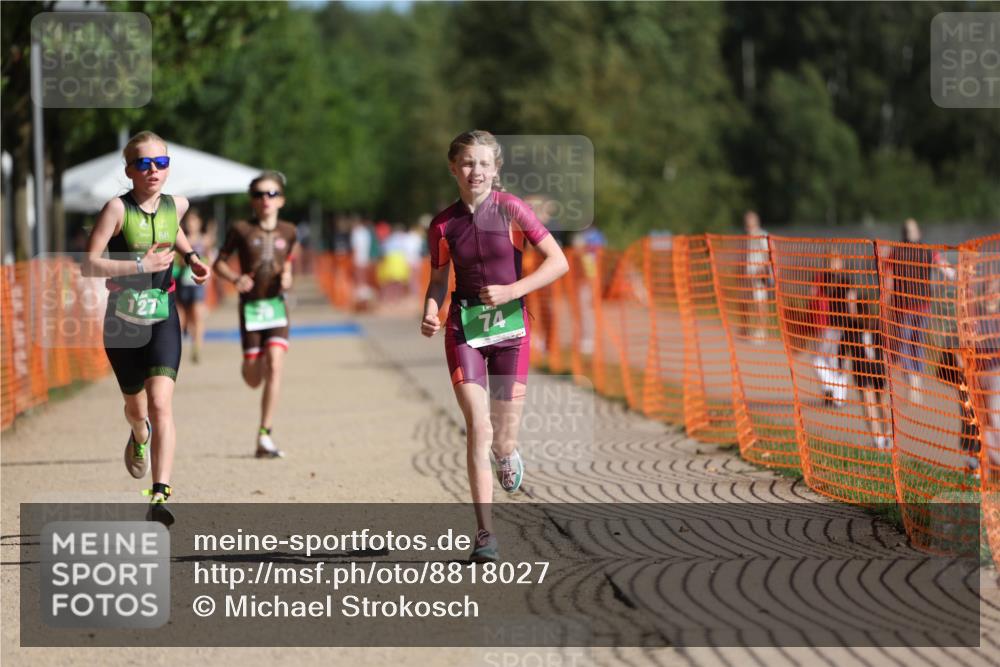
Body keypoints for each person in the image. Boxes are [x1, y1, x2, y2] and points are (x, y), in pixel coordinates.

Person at [420, 130, 569, 562]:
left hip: (511, 333)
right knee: (478, 428)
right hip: (464, 330)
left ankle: (507, 453)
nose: (476, 171)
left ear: (495, 169)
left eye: (484, 163)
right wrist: (432, 310)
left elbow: (558, 262)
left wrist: (512, 290)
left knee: (501, 437)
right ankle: (485, 534)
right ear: (453, 168)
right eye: (468, 163)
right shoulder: (443, 225)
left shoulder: (512, 209)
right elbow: (436, 280)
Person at [83, 131, 211, 523]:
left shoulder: (179, 205)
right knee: (137, 409)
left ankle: (160, 495)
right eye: (143, 163)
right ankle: (139, 435)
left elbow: (173, 231)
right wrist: (139, 266)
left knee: (160, 404)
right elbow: (89, 263)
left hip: (163, 315)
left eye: (160, 163)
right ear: (129, 170)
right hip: (123, 321)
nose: (153, 170)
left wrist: (191, 258)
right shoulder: (116, 210)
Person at [213, 172, 297, 459]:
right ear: (252, 201)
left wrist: (287, 277)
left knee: (275, 363)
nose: (266, 200)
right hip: (251, 309)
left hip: (276, 306)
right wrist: (235, 279)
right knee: (253, 378)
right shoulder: (240, 229)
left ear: (281, 200)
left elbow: (288, 264)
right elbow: (218, 263)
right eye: (260, 194)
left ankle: (265, 434)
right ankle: (250, 360)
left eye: (272, 194)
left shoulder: (290, 231)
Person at [884, 218, 956, 404]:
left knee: (910, 345)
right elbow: (947, 270)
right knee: (913, 345)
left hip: (913, 306)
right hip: (914, 306)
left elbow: (888, 280)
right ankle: (916, 381)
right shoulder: (921, 250)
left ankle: (915, 381)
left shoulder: (897, 251)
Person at [840, 290, 892, 450]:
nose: (851, 309)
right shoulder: (856, 326)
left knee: (879, 403)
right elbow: (843, 349)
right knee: (873, 403)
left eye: (855, 306)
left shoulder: (870, 325)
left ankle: (886, 436)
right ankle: (881, 438)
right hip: (867, 369)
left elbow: (884, 349)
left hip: (871, 369)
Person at [811, 254, 851, 407]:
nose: (832, 264)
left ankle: (837, 396)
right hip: (829, 325)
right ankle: (833, 393)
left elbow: (851, 303)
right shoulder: (824, 278)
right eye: (829, 261)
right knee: (825, 360)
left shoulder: (845, 280)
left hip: (840, 326)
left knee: (833, 361)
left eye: (835, 261)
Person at [174, 208, 213, 363]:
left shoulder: (204, 240)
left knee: (197, 316)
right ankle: (179, 348)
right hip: (181, 283)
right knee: (181, 318)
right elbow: (175, 260)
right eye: (189, 221)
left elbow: (210, 260)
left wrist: (206, 272)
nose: (191, 224)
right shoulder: (180, 239)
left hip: (197, 284)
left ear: (199, 223)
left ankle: (197, 347)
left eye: (194, 221)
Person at [742, 210, 771, 343]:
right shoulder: (746, 237)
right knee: (749, 303)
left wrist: (764, 270)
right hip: (749, 275)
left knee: (760, 303)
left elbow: (768, 254)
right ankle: (749, 329)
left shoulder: (762, 236)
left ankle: (761, 331)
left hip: (760, 275)